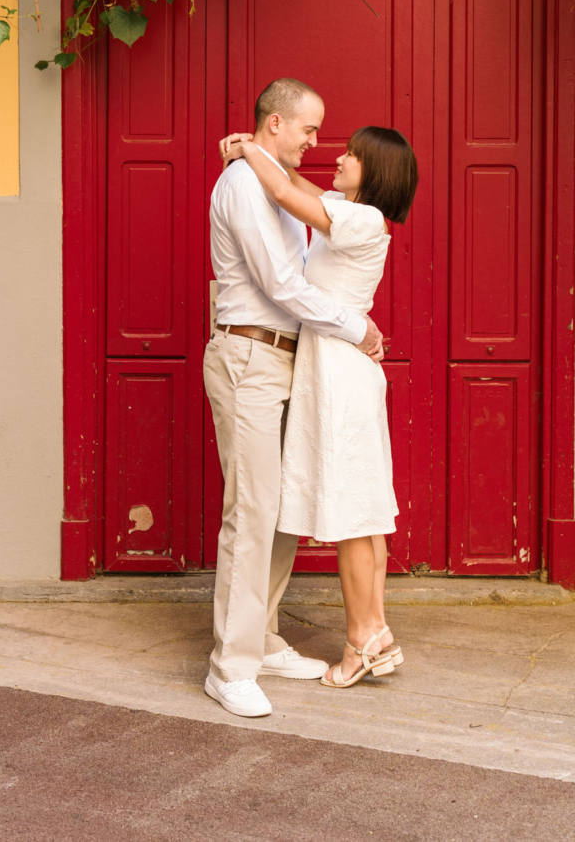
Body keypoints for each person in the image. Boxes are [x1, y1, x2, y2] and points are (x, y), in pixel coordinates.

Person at [204, 77, 385, 719]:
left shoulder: (273, 180)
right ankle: (230, 666)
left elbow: (302, 205)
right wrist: (354, 325)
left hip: (285, 362)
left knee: (281, 513)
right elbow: (281, 283)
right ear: (275, 123)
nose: (317, 141)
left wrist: (246, 150)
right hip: (250, 356)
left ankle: (263, 638)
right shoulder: (245, 186)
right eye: (308, 128)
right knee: (252, 513)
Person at [221, 122, 418, 689]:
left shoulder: (361, 218)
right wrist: (257, 151)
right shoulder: (348, 208)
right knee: (366, 510)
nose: (338, 157)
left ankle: (361, 640)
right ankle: (374, 630)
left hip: (339, 369)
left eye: (352, 156)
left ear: (373, 171)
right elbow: (298, 182)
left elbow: (284, 194)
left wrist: (248, 149)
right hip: (343, 367)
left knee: (355, 516)